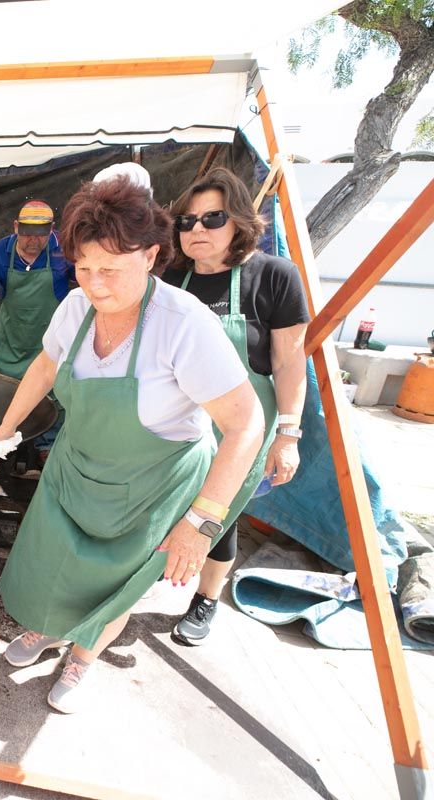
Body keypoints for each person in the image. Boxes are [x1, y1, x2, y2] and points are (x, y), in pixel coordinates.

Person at [0, 176, 263, 713]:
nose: (96, 284)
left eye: (110, 269)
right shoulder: (73, 307)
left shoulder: (184, 325)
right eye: (84, 268)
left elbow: (245, 423)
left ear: (151, 254)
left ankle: (83, 657)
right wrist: (8, 425)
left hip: (153, 483)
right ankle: (48, 630)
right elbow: (46, 365)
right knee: (55, 565)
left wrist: (201, 521)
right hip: (77, 466)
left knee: (115, 582)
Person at [163, 167, 309, 646]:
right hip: (173, 420)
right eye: (186, 222)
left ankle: (206, 597)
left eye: (212, 219)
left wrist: (289, 434)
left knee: (216, 515)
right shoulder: (169, 276)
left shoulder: (274, 276)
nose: (197, 230)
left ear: (241, 222)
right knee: (160, 506)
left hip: (237, 428)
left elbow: (288, 363)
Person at [0, 200, 74, 377]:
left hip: (50, 350)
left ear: (51, 228)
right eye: (28, 233)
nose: (34, 240)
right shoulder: (0, 251)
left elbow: (87, 288)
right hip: (8, 348)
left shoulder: (64, 248)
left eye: (40, 234)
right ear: (16, 227)